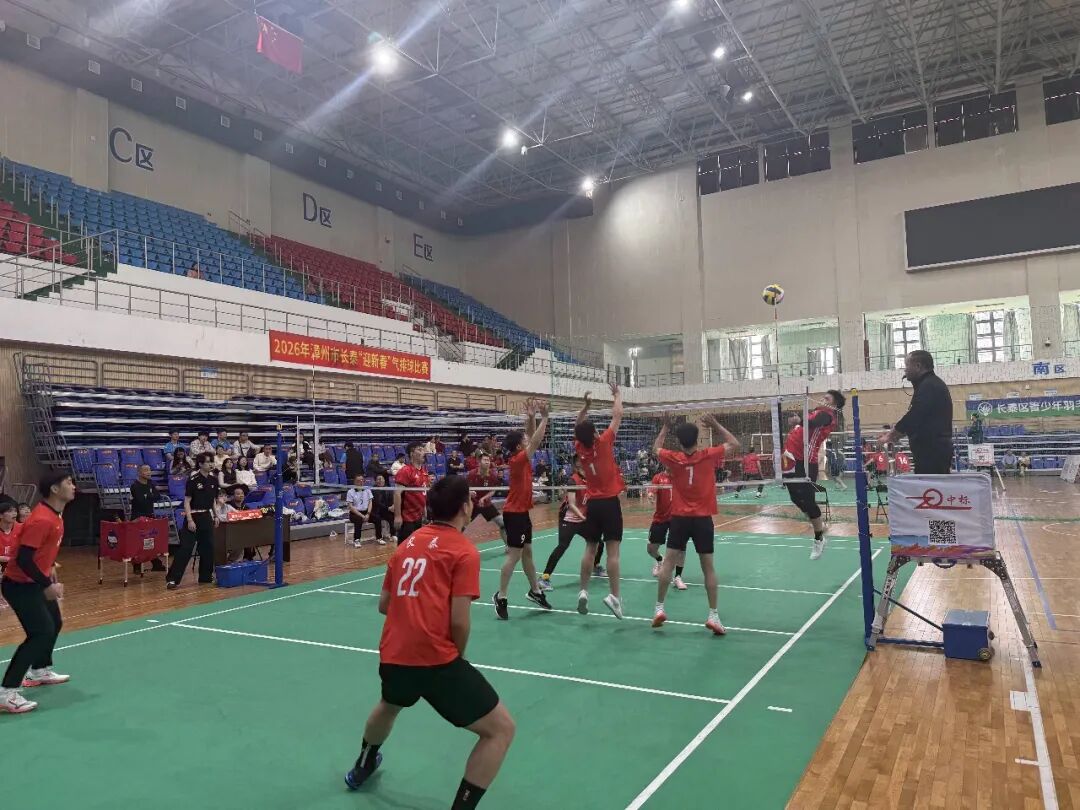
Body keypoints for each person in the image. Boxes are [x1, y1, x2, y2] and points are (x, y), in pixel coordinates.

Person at [343, 476, 515, 806]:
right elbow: (459, 620)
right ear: (465, 507)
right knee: (501, 730)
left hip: (394, 653)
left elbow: (384, 605)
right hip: (437, 660)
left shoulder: (407, 545)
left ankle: (363, 765)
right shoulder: (463, 551)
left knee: (389, 704)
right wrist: (456, 659)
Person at [651, 415, 740, 636]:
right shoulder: (708, 455)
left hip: (679, 518)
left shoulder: (674, 458)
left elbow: (655, 449)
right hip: (702, 520)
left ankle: (659, 608)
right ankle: (713, 615)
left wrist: (665, 427)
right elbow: (734, 443)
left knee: (668, 563)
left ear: (679, 442)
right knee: (708, 568)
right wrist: (716, 424)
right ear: (698, 440)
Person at [1, 470, 76, 714]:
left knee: (54, 622)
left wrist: (49, 569)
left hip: (35, 580)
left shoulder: (56, 515)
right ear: (54, 489)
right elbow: (24, 559)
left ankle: (39, 670)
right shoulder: (42, 519)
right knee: (40, 633)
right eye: (68, 482)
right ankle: (6, 692)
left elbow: (42, 551)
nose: (73, 486)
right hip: (19, 584)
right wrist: (47, 585)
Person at [493, 400, 553, 619]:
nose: (527, 441)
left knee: (527, 553)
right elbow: (534, 440)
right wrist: (544, 418)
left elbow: (529, 436)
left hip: (522, 513)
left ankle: (535, 591)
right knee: (514, 556)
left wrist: (531, 417)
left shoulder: (519, 456)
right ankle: (501, 596)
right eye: (524, 442)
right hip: (515, 514)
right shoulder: (518, 459)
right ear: (519, 447)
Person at [573, 382, 625, 619]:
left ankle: (583, 591)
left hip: (592, 504)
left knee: (590, 548)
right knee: (612, 552)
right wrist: (617, 395)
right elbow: (617, 414)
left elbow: (578, 426)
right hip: (610, 503)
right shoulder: (603, 442)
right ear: (594, 433)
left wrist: (586, 407)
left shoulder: (580, 449)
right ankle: (614, 596)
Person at [783, 390, 846, 560]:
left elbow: (813, 423)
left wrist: (799, 421)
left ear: (834, 403)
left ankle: (819, 538)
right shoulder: (816, 412)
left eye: (827, 398)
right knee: (795, 498)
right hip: (790, 458)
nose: (822, 399)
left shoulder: (828, 415)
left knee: (808, 500)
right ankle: (817, 522)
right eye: (823, 397)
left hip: (805, 462)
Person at [879, 350, 954, 474]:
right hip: (931, 450)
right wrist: (898, 434)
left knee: (930, 485)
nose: (905, 370)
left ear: (918, 366)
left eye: (907, 365)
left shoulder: (929, 386)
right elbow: (921, 419)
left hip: (932, 452)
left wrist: (891, 435)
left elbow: (915, 415)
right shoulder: (929, 384)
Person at [539, 455, 602, 588]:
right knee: (562, 546)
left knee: (598, 542)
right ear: (577, 465)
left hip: (582, 518)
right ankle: (544, 578)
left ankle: (595, 566)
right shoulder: (573, 480)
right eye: (581, 461)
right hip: (569, 519)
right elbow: (572, 505)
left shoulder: (590, 479)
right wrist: (583, 517)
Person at [166, 452, 220, 589]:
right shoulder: (193, 480)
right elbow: (187, 502)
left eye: (212, 461)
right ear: (200, 464)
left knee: (208, 548)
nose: (211, 464)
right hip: (193, 517)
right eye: (208, 462)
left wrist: (216, 515)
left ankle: (206, 577)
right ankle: (172, 579)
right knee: (186, 548)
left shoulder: (214, 480)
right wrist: (190, 520)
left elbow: (213, 500)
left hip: (206, 516)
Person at [646, 467, 685, 588]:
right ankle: (659, 560)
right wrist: (651, 495)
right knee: (651, 549)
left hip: (677, 518)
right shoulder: (658, 477)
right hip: (660, 518)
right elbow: (652, 490)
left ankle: (678, 577)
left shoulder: (681, 477)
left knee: (680, 549)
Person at [130, 464, 167, 573]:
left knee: (151, 541)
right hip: (138, 517)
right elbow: (140, 500)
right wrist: (150, 496)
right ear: (139, 473)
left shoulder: (151, 483)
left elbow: (157, 496)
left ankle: (156, 564)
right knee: (138, 543)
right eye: (146, 470)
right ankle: (137, 566)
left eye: (149, 470)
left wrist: (148, 496)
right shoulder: (135, 486)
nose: (149, 472)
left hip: (150, 515)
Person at [465, 454, 507, 544]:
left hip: (486, 504)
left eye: (488, 460)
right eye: (485, 460)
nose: (487, 462)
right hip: (473, 505)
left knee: (504, 524)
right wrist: (469, 492)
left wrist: (484, 498)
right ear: (479, 462)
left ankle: (508, 546)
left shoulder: (492, 475)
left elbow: (493, 490)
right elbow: (464, 488)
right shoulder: (472, 474)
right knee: (461, 527)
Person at [393, 442, 429, 542]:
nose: (423, 453)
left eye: (423, 450)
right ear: (412, 454)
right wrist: (397, 516)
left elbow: (423, 493)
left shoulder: (424, 471)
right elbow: (397, 493)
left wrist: (424, 510)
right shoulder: (406, 471)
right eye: (420, 450)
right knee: (404, 546)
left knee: (415, 546)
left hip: (418, 516)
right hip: (407, 517)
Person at [347, 475, 384, 547]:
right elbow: (351, 507)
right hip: (355, 513)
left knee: (377, 518)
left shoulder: (367, 489)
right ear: (354, 482)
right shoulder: (350, 492)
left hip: (366, 512)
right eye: (358, 481)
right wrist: (362, 516)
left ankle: (379, 538)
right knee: (358, 520)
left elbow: (370, 502)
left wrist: (368, 513)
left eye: (362, 480)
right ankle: (357, 540)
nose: (361, 482)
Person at [371, 474, 393, 543]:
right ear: (375, 481)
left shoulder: (388, 489)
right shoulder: (373, 490)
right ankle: (379, 538)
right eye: (378, 479)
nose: (380, 481)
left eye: (382, 479)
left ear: (384, 480)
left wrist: (393, 506)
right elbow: (377, 503)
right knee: (377, 519)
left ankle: (393, 535)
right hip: (376, 511)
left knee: (392, 516)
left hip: (386, 510)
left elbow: (392, 499)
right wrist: (388, 508)